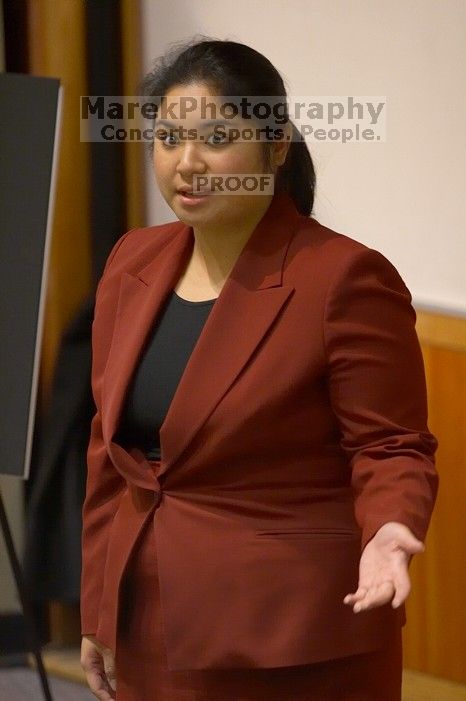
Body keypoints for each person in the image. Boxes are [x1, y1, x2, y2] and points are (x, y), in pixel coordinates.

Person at [80, 37, 439, 701]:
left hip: (292, 633)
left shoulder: (341, 277)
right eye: (168, 139)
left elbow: (391, 445)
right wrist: (100, 608)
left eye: (216, 137)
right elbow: (111, 450)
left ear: (275, 148)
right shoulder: (134, 259)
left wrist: (390, 530)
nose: (187, 164)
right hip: (151, 619)